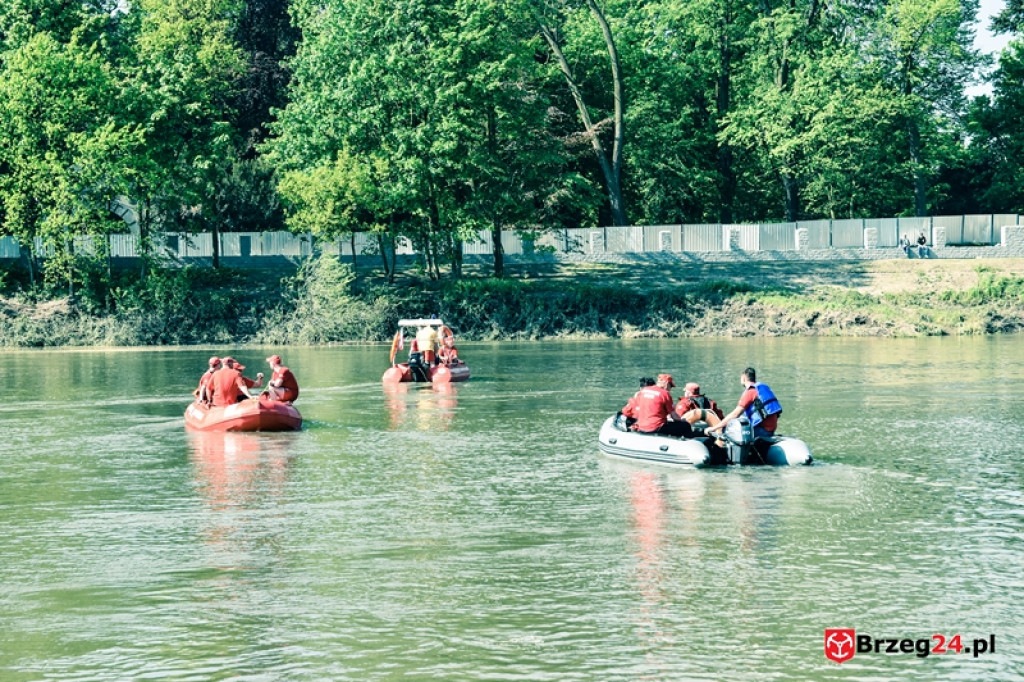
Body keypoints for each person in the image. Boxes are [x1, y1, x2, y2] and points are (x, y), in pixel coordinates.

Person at [707, 367, 782, 441]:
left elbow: (735, 414)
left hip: (762, 431)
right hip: (771, 429)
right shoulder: (762, 388)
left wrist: (714, 428)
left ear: (743, 379)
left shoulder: (750, 392)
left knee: (725, 429)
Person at [621, 373, 692, 438]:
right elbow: (674, 416)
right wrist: (682, 420)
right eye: (670, 386)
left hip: (641, 427)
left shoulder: (643, 391)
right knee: (685, 426)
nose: (670, 389)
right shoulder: (665, 394)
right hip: (656, 428)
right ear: (666, 383)